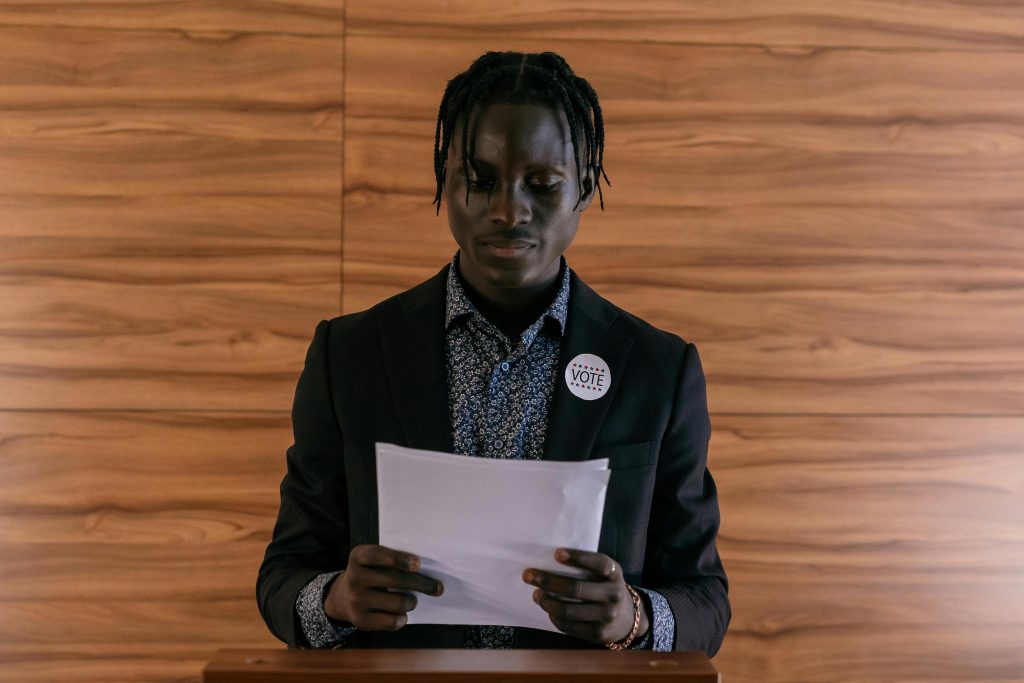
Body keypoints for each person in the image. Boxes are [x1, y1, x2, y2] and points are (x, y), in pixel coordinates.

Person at [256, 50, 730, 655]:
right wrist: (335, 599)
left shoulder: (659, 370)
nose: (508, 211)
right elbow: (284, 574)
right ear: (444, 182)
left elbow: (706, 600)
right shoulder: (349, 355)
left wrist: (634, 618)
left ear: (583, 187)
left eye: (542, 184)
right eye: (479, 180)